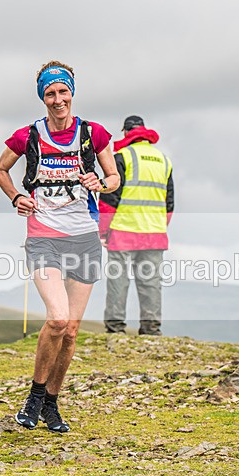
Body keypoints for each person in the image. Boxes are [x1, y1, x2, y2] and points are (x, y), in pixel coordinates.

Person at [0, 61, 120, 432]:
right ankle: (34, 396)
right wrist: (16, 196)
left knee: (72, 330)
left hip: (84, 237)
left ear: (72, 93)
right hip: (44, 236)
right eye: (50, 94)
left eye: (63, 92)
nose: (57, 99)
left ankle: (51, 403)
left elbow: (113, 178)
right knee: (57, 318)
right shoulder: (27, 136)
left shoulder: (93, 134)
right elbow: (0, 169)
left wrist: (101, 182)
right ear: (42, 98)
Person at [99, 116, 174, 335]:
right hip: (154, 232)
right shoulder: (164, 160)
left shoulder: (123, 157)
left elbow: (109, 198)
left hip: (123, 229)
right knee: (151, 281)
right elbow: (170, 202)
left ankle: (115, 328)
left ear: (126, 133)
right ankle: (151, 329)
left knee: (118, 280)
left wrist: (104, 231)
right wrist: (161, 226)